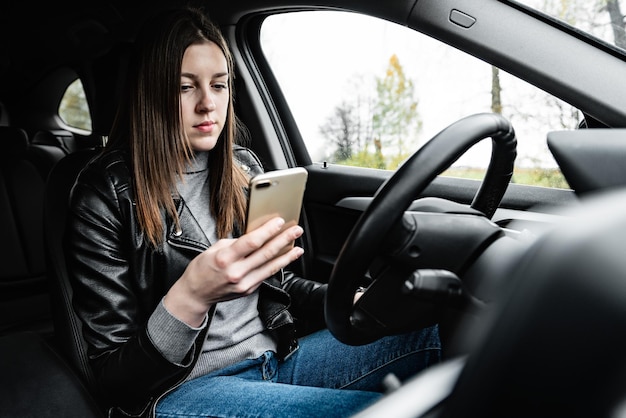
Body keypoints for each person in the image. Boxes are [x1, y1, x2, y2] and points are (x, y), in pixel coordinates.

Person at [65, 6, 441, 418]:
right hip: (182, 392)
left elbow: (275, 287)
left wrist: (349, 298)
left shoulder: (243, 169)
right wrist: (191, 295)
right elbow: (115, 379)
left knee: (423, 328)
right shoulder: (104, 195)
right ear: (151, 92)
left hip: (274, 358)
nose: (208, 104)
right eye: (185, 87)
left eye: (220, 85)